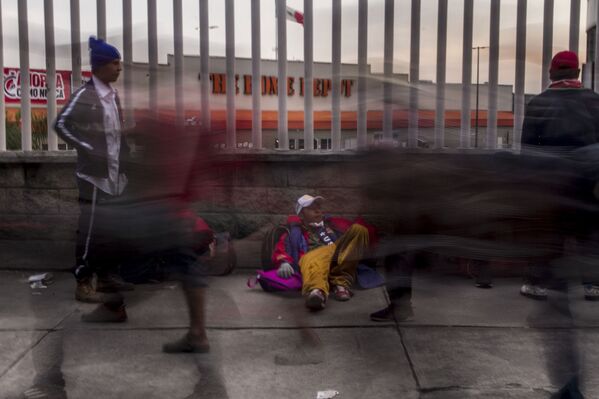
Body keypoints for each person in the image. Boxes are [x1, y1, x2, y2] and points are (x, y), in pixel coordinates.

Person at [55, 36, 133, 303]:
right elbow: (61, 124)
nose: (119, 68)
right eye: (115, 63)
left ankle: (108, 276)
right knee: (90, 232)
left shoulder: (113, 96)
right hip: (93, 177)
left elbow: (113, 134)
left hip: (114, 175)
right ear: (100, 65)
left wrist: (126, 151)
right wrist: (88, 146)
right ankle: (84, 281)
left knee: (112, 230)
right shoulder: (84, 95)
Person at [519, 50, 599, 301]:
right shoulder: (595, 102)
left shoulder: (538, 103)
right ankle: (593, 285)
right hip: (588, 182)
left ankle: (539, 284)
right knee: (589, 233)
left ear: (551, 73)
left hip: (550, 182)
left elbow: (527, 150)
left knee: (547, 234)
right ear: (577, 72)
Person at [272, 194, 370, 310]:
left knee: (360, 230)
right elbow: (280, 250)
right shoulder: (292, 233)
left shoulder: (332, 225)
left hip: (335, 256)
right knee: (312, 258)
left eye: (318, 206)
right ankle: (316, 292)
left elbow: (348, 241)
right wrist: (284, 262)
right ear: (301, 214)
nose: (317, 210)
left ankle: (340, 282)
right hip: (311, 260)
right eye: (311, 208)